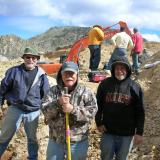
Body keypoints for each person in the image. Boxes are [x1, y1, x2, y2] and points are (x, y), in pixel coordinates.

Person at [0, 47, 50, 160]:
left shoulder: (42, 75)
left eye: (34, 58)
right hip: (15, 109)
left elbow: (47, 96)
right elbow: (2, 88)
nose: (30, 60)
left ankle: (33, 158)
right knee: (4, 137)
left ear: (37, 59)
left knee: (32, 139)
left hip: (33, 112)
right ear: (24, 58)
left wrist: (47, 113)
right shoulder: (14, 71)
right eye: (28, 57)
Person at [41, 61, 98, 160]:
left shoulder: (86, 92)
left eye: (72, 73)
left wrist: (73, 110)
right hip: (56, 141)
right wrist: (58, 103)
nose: (69, 76)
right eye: (66, 73)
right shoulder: (53, 91)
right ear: (61, 75)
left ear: (77, 74)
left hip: (77, 142)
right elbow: (45, 111)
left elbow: (92, 112)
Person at [95, 57, 145, 160]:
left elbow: (140, 112)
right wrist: (98, 123)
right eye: (117, 68)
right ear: (113, 70)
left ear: (128, 70)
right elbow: (98, 105)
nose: (119, 71)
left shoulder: (135, 87)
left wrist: (139, 132)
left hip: (127, 134)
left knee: (122, 158)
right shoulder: (104, 84)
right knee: (105, 156)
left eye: (122, 68)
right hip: (108, 131)